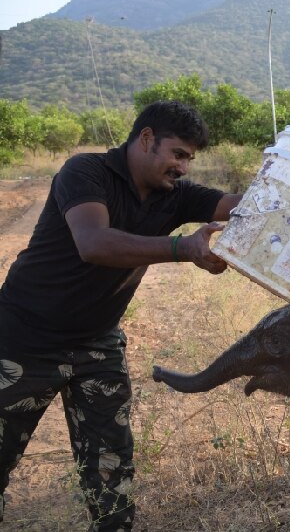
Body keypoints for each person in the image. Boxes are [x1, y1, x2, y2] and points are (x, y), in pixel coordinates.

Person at [0, 100, 244, 530]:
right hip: (23, 338)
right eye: (178, 154)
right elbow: (93, 243)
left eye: (190, 158)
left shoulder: (175, 194)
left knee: (111, 470)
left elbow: (239, 205)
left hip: (98, 343)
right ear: (146, 139)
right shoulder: (85, 172)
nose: (184, 167)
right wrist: (183, 248)